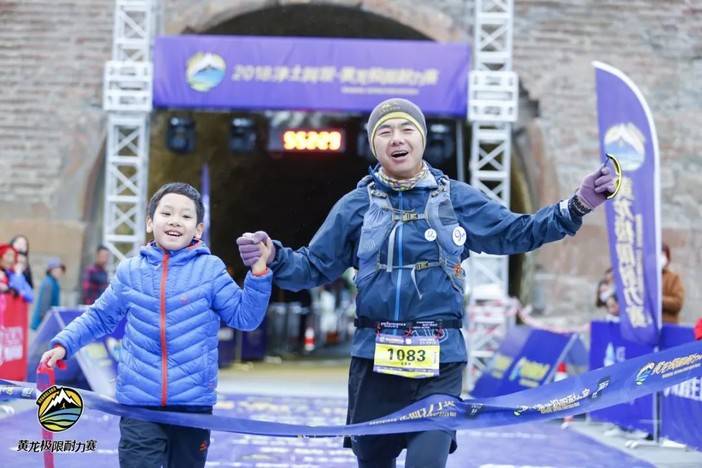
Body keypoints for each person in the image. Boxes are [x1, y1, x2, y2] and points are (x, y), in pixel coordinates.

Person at [236, 98, 619, 468]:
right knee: (373, 462)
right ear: (373, 144)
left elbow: (518, 232)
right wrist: (276, 256)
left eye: (406, 129)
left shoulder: (457, 200)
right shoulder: (355, 206)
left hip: (438, 362)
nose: (396, 139)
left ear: (422, 138)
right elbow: (313, 267)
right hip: (374, 364)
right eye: (385, 131)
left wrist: (576, 206)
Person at [40, 182, 273, 468]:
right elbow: (99, 317)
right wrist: (64, 343)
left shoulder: (211, 270)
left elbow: (245, 318)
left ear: (198, 229)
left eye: (186, 216)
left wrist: (259, 272)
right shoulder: (130, 271)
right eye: (167, 213)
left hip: (192, 407)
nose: (175, 221)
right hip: (139, 405)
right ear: (150, 222)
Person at [30, 257, 65, 331]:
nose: (59, 272)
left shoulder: (54, 282)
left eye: (60, 270)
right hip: (42, 323)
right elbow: (44, 305)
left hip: (49, 321)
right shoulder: (48, 283)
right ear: (50, 270)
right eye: (56, 270)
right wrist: (45, 323)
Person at [661, 242, 684, 324]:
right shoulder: (645, 278)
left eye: (663, 255)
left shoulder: (673, 278)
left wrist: (659, 300)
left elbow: (678, 302)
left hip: (667, 324)